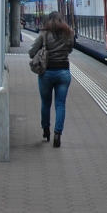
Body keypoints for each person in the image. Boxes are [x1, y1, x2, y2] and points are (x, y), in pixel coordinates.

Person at [29, 11, 74, 147]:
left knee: (45, 103)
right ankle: (57, 134)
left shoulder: (44, 34)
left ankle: (46, 130)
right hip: (64, 72)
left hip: (46, 73)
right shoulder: (69, 34)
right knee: (60, 104)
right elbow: (70, 50)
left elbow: (31, 52)